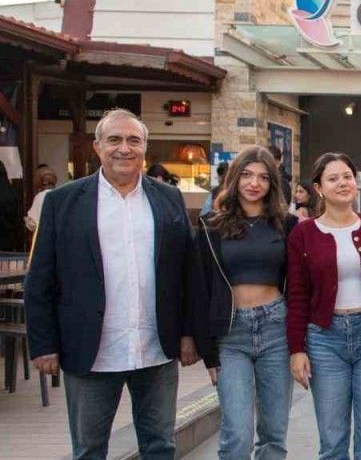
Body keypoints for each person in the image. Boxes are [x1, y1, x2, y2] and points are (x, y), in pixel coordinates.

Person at [24, 108, 202, 459]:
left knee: (161, 446)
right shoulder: (63, 202)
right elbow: (40, 278)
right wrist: (43, 344)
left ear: (144, 148)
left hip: (156, 348)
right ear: (97, 147)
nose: (124, 148)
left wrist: (188, 333)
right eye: (114, 140)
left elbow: (187, 273)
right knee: (89, 449)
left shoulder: (168, 198)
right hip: (90, 351)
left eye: (133, 140)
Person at [287, 152, 361, 460]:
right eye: (333, 178)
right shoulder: (303, 233)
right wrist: (297, 349)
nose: (343, 183)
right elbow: (297, 294)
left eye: (348, 176)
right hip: (324, 339)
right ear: (318, 188)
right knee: (332, 441)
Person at [193, 146, 298, 459]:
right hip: (231, 333)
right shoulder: (211, 226)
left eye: (263, 177)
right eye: (248, 175)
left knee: (273, 434)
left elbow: (299, 282)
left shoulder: (288, 225)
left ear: (272, 183)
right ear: (235, 178)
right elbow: (199, 288)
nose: (255, 183)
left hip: (276, 328)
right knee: (236, 435)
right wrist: (206, 351)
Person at [23, 163, 58, 233]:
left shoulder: (40, 196)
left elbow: (33, 224)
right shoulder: (59, 194)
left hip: (44, 235)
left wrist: (26, 220)